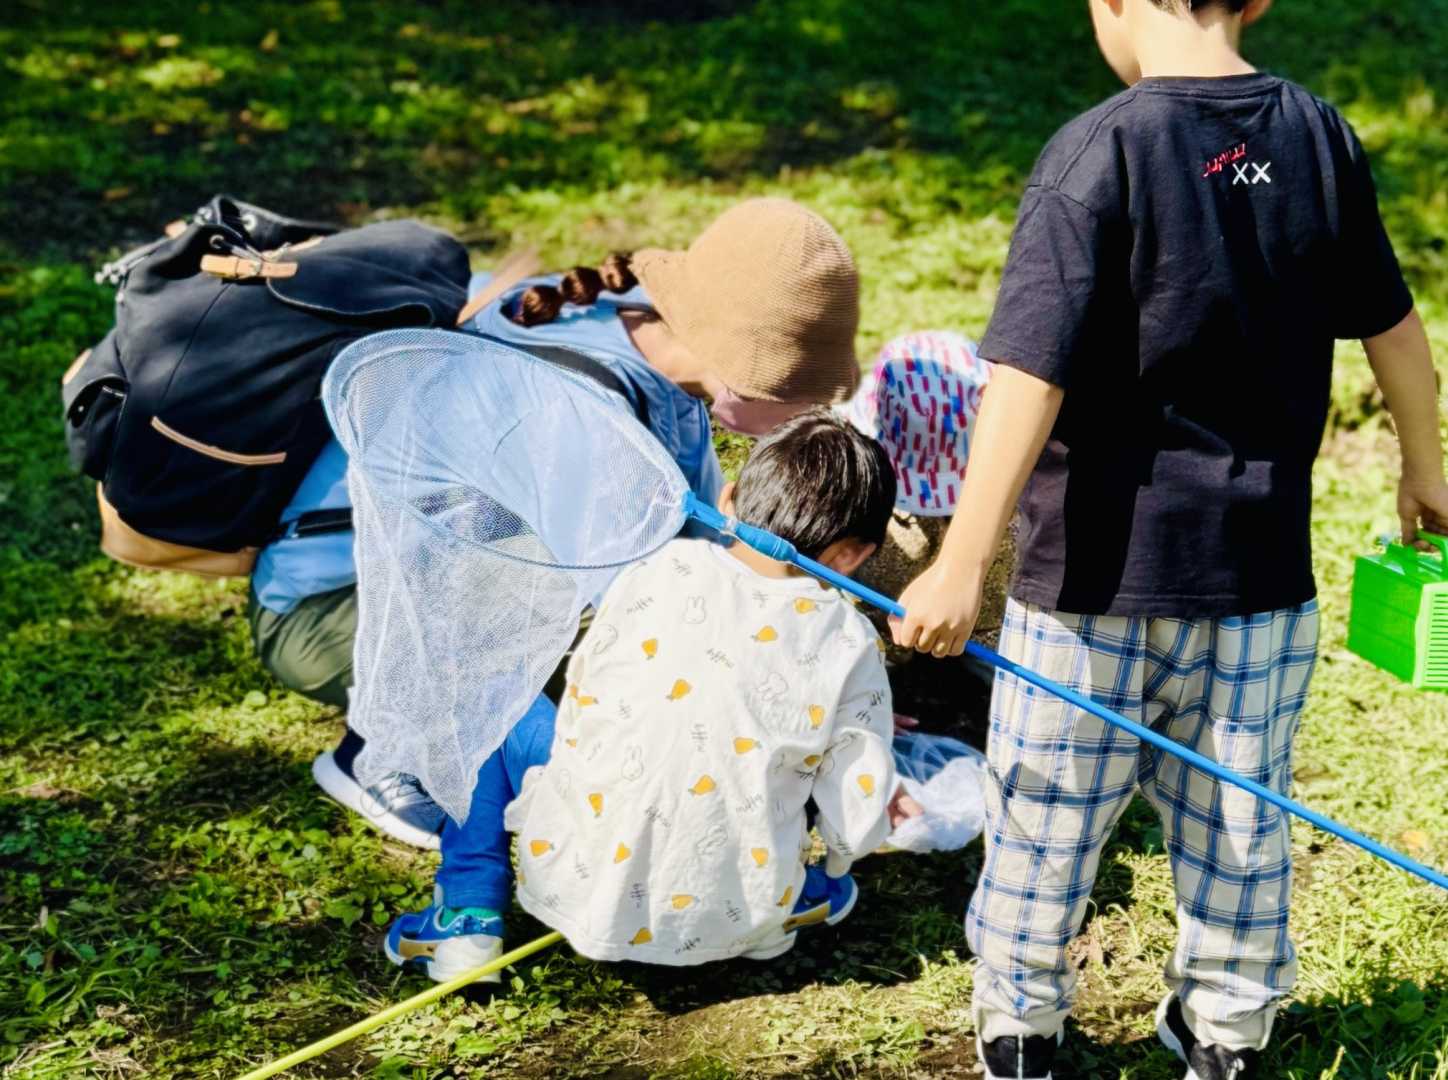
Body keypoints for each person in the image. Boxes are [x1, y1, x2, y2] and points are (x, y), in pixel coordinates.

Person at [887, 0, 1448, 1080]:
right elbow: (1394, 326)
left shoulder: (1094, 157)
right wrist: (1421, 471)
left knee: (1046, 809)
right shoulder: (1316, 137)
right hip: (1260, 582)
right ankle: (1223, 1049)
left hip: (1090, 586)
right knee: (1240, 817)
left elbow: (1024, 377)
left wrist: (964, 562)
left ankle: (1022, 1049)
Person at [271, 198, 863, 850]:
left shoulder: (645, 330)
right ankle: (379, 754)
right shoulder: (586, 424)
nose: (811, 412)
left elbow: (697, 550)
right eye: (803, 393)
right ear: (740, 380)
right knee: (613, 725)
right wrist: (800, 708)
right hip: (326, 615)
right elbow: (649, 623)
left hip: (439, 560)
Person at [383, 412, 914, 982]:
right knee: (796, 758)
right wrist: (844, 846)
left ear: (728, 501)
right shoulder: (847, 638)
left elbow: (587, 700)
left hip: (577, 876)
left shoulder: (657, 566)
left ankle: (468, 915)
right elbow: (855, 816)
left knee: (491, 693)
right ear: (854, 555)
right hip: (742, 910)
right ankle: (784, 904)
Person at [846, 329, 1013, 645]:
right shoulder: (1013, 500)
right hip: (988, 619)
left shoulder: (873, 510)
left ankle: (887, 647)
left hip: (894, 620)